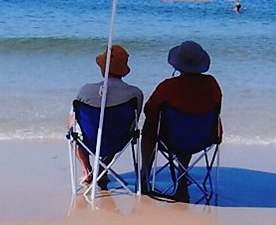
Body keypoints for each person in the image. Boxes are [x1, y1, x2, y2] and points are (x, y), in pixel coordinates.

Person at [139, 41, 222, 196]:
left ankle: (145, 175)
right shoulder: (212, 84)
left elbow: (149, 111)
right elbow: (217, 110)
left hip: (172, 139)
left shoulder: (168, 87)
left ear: (177, 65)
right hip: (202, 139)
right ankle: (182, 177)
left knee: (150, 128)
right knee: (189, 126)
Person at [72, 45, 144, 188]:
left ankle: (87, 169)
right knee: (115, 125)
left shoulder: (86, 91)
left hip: (89, 141)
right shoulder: (134, 94)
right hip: (118, 141)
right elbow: (133, 123)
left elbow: (76, 120)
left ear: (103, 68)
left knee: (72, 124)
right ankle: (103, 170)